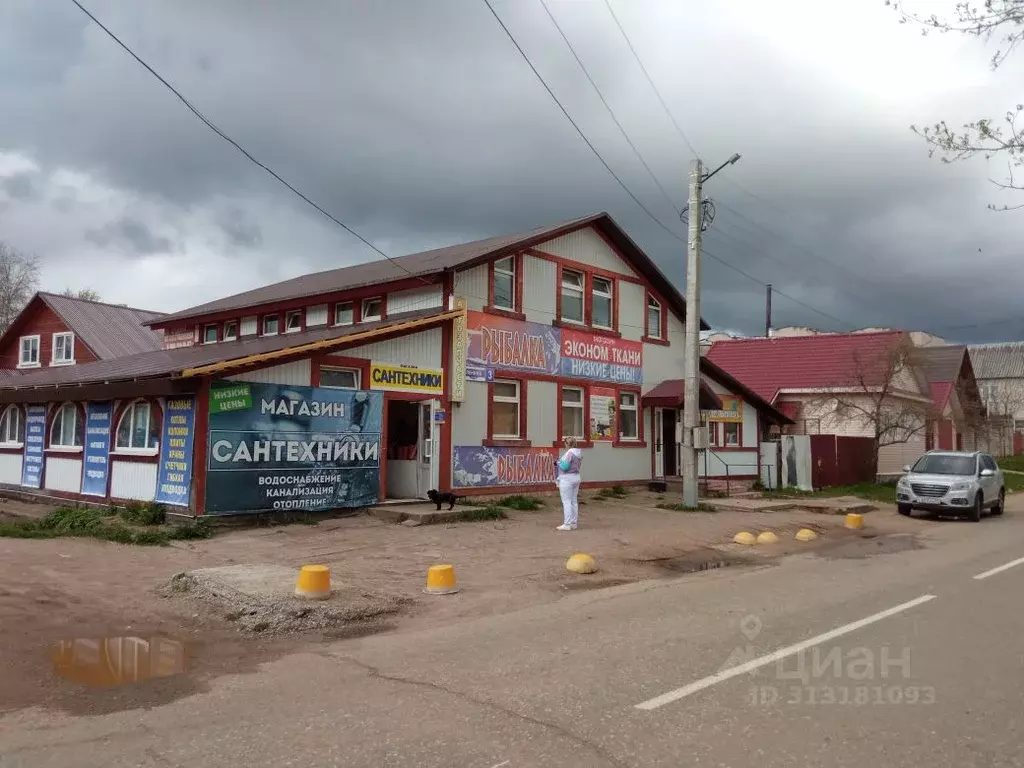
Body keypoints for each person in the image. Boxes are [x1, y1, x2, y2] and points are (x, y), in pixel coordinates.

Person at [555, 436, 583, 531]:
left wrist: (558, 462)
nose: (564, 445)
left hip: (567, 478)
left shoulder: (570, 453)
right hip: (576, 477)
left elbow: (565, 466)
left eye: (565, 443)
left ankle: (567, 524)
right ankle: (573, 523)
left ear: (568, 444)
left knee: (566, 501)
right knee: (574, 501)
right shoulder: (578, 453)